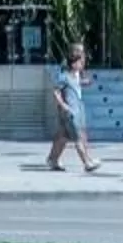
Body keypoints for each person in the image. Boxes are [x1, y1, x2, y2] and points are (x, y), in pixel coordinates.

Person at [48, 43, 98, 172]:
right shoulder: (64, 73)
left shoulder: (74, 74)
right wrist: (63, 106)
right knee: (78, 137)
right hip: (70, 111)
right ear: (74, 62)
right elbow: (56, 90)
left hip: (76, 108)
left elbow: (75, 84)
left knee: (63, 137)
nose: (83, 62)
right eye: (80, 59)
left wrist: (86, 82)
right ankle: (87, 163)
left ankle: (53, 160)